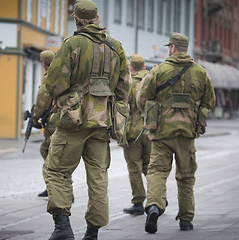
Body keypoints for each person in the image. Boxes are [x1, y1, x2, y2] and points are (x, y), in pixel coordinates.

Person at [36, 1, 130, 239]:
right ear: (97, 18)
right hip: (102, 123)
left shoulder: (72, 44)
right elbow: (124, 88)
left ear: (76, 20)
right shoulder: (115, 46)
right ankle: (93, 232)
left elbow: (54, 84)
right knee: (98, 177)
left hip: (72, 121)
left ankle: (63, 228)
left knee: (56, 171)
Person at [136, 32, 215, 233]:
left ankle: (154, 206)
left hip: (162, 133)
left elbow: (141, 99)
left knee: (156, 171)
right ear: (185, 48)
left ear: (172, 48)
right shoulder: (200, 72)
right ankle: (186, 219)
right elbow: (209, 102)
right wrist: (197, 118)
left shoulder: (157, 70)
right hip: (187, 134)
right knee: (186, 176)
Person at [122, 54, 151, 216]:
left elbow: (123, 108)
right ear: (144, 66)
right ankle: (158, 198)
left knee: (134, 168)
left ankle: (138, 203)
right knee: (150, 167)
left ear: (131, 68)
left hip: (133, 133)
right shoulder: (151, 81)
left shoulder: (129, 84)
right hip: (151, 130)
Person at [33, 50, 55, 198]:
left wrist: (35, 119)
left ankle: (56, 188)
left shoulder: (49, 77)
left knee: (48, 152)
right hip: (60, 119)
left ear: (43, 64)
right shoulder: (62, 73)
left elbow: (42, 101)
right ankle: (52, 187)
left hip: (53, 122)